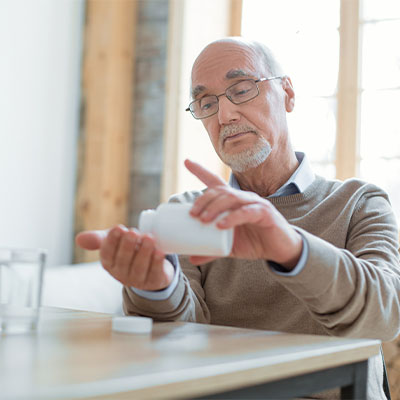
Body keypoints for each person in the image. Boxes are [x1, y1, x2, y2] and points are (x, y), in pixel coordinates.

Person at [76, 37, 400, 399]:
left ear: (288, 94)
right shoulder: (189, 210)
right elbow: (181, 340)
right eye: (206, 102)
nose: (224, 115)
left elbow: (384, 316)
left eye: (242, 90)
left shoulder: (359, 201)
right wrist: (157, 287)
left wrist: (291, 248)